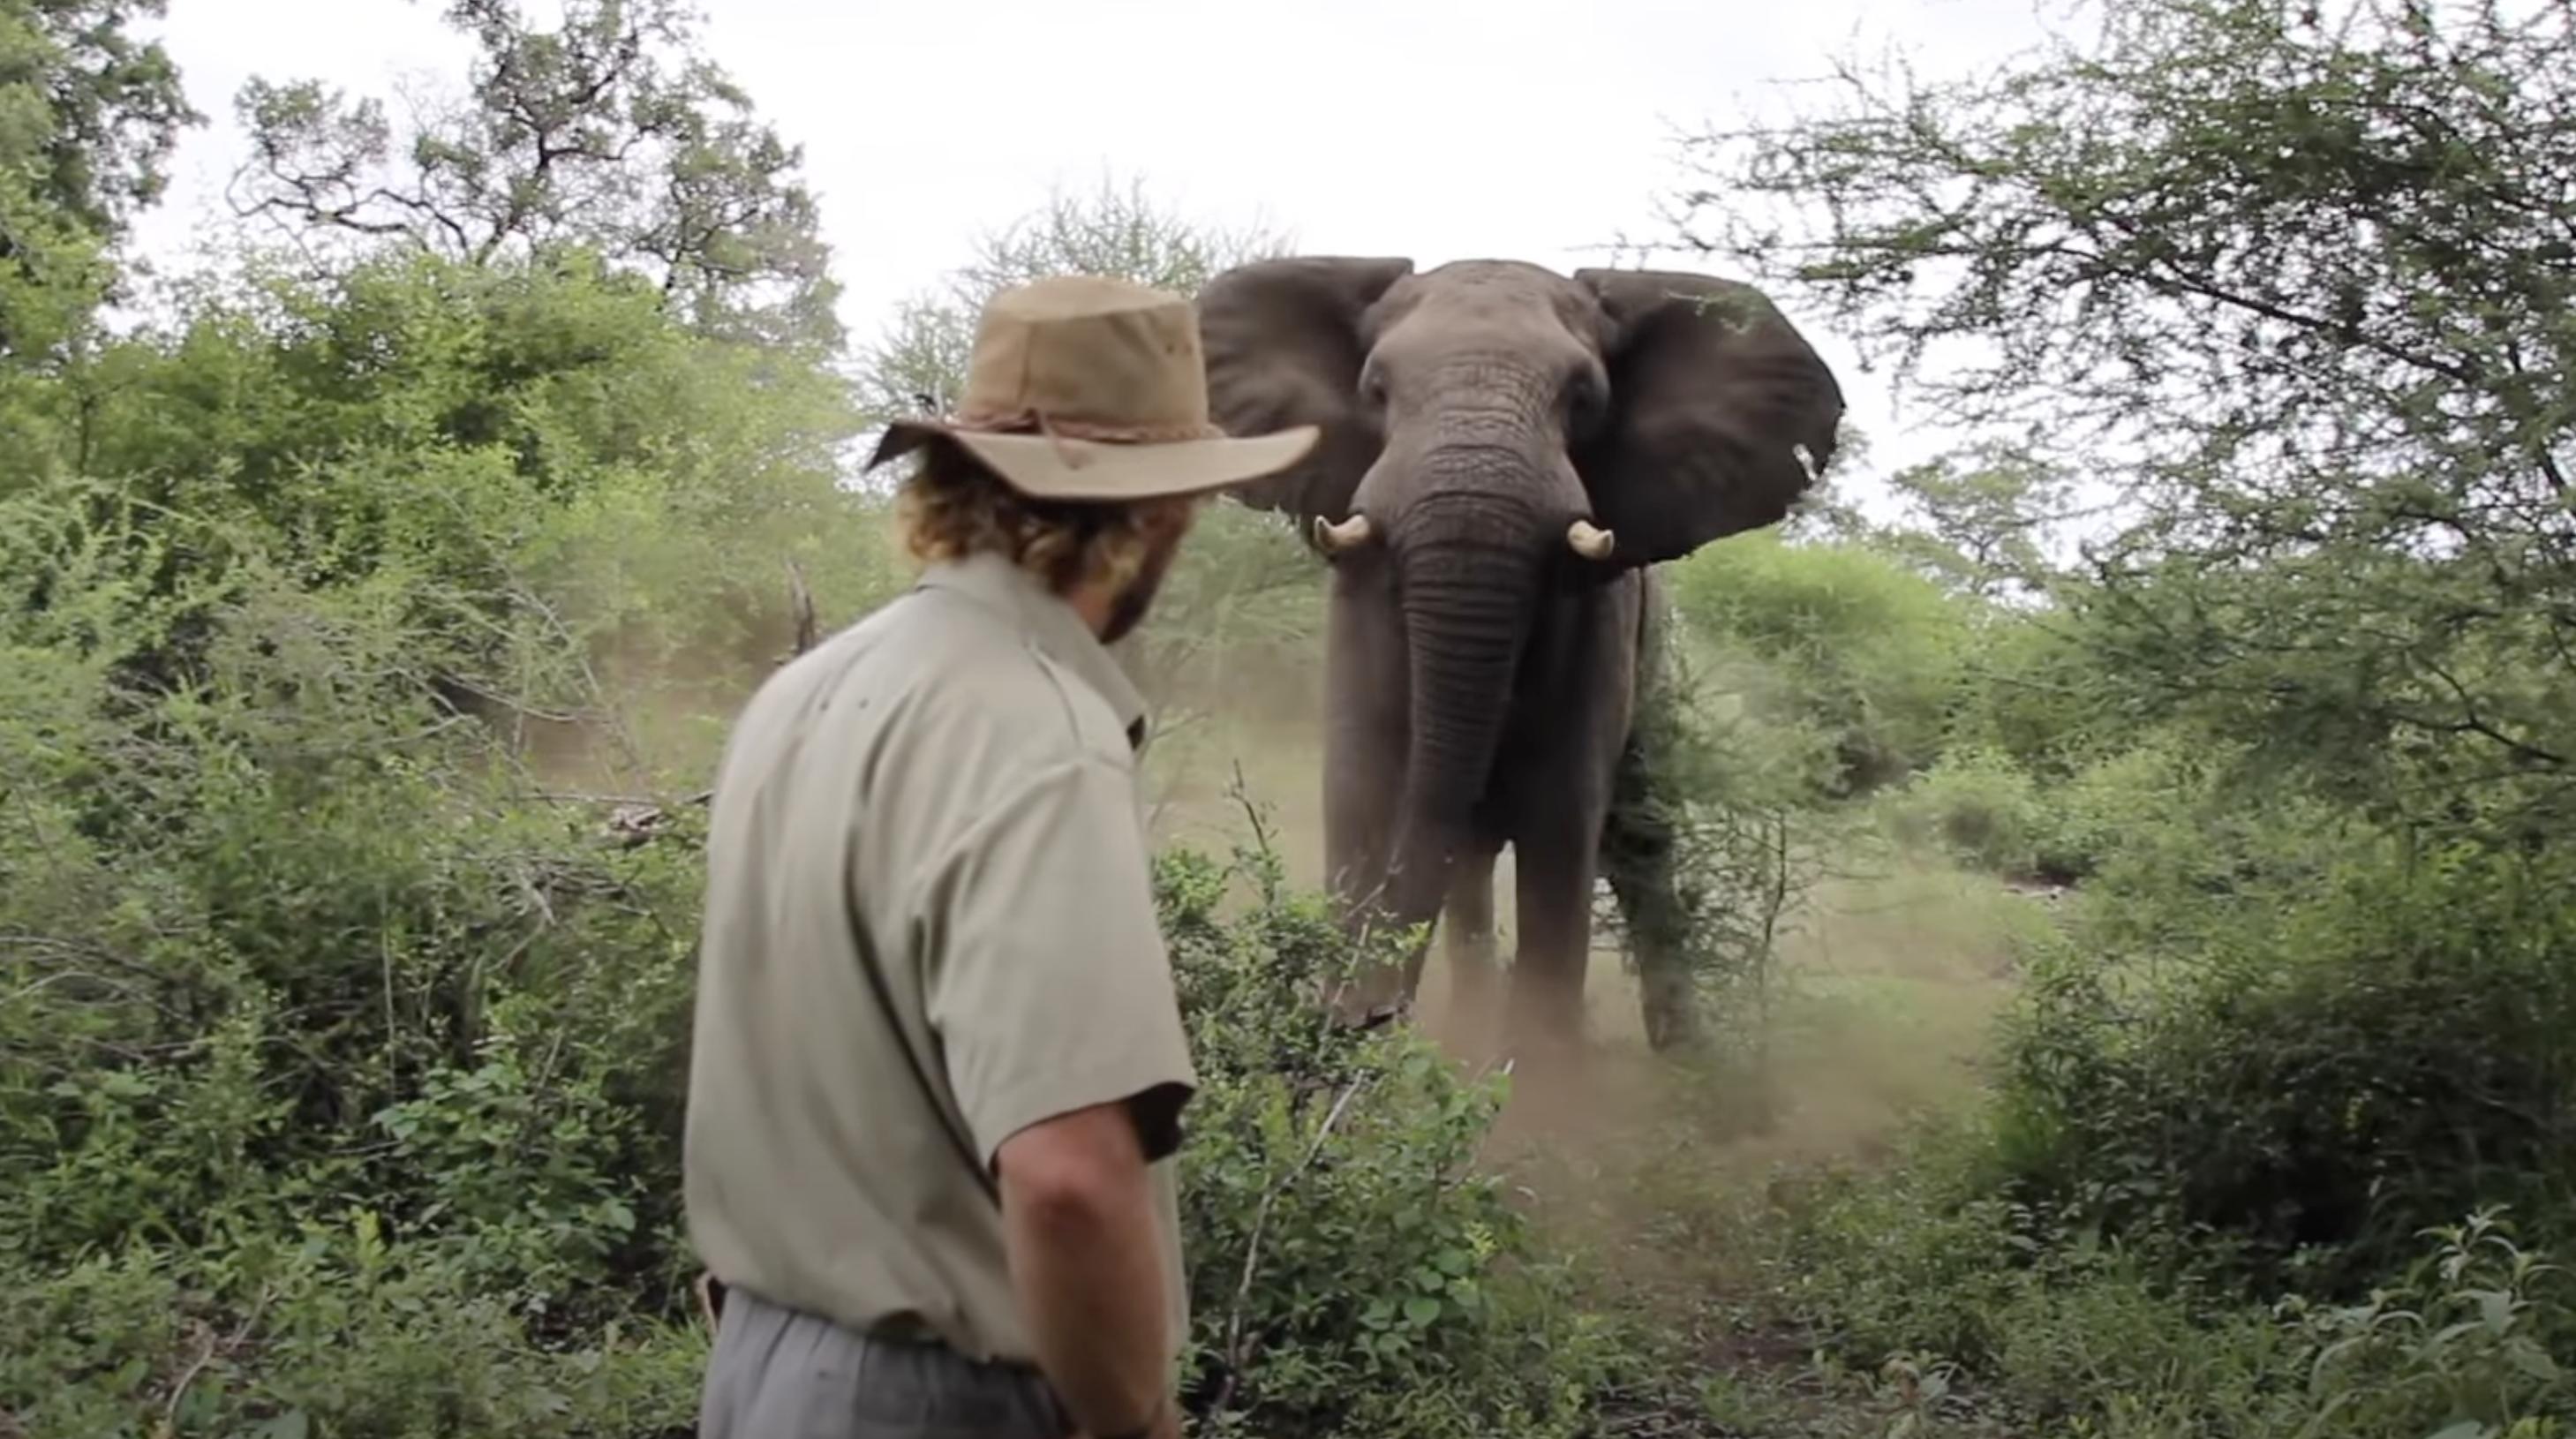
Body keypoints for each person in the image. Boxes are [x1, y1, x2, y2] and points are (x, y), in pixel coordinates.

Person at [682, 274, 1318, 1439]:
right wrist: (1135, 1422)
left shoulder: (803, 693)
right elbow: (1067, 1172)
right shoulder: (1037, 730)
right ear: (1151, 516)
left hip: (756, 1363)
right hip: (940, 1398)